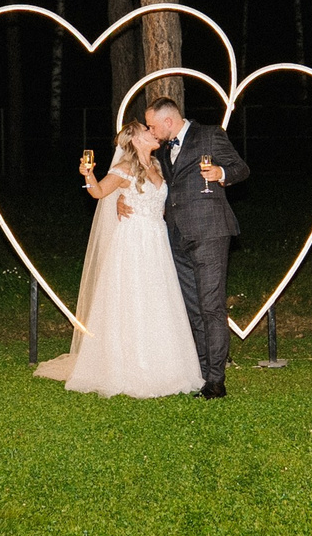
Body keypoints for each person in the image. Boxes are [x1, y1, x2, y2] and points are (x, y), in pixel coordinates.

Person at [33, 123, 203, 398]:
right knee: (133, 300)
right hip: (133, 241)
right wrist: (88, 175)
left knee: (158, 300)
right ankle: (131, 366)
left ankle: (165, 365)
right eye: (146, 130)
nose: (152, 132)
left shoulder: (158, 166)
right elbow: (99, 193)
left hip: (157, 240)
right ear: (135, 139)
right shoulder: (124, 168)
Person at [142, 95, 249, 398]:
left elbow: (241, 168)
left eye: (153, 125)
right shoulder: (164, 149)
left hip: (210, 232)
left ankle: (216, 380)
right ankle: (202, 373)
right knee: (193, 309)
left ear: (168, 120)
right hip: (177, 237)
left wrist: (221, 174)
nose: (152, 131)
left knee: (211, 306)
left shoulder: (210, 135)